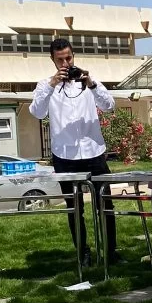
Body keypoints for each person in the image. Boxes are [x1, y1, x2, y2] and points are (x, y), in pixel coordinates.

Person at [29, 38, 119, 267]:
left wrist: (92, 85)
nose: (65, 63)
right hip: (65, 156)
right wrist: (51, 84)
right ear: (52, 60)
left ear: (74, 56)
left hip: (94, 151)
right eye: (60, 60)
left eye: (68, 58)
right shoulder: (45, 85)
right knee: (74, 208)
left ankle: (110, 252)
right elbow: (37, 112)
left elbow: (110, 106)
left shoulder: (89, 80)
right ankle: (83, 254)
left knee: (105, 204)